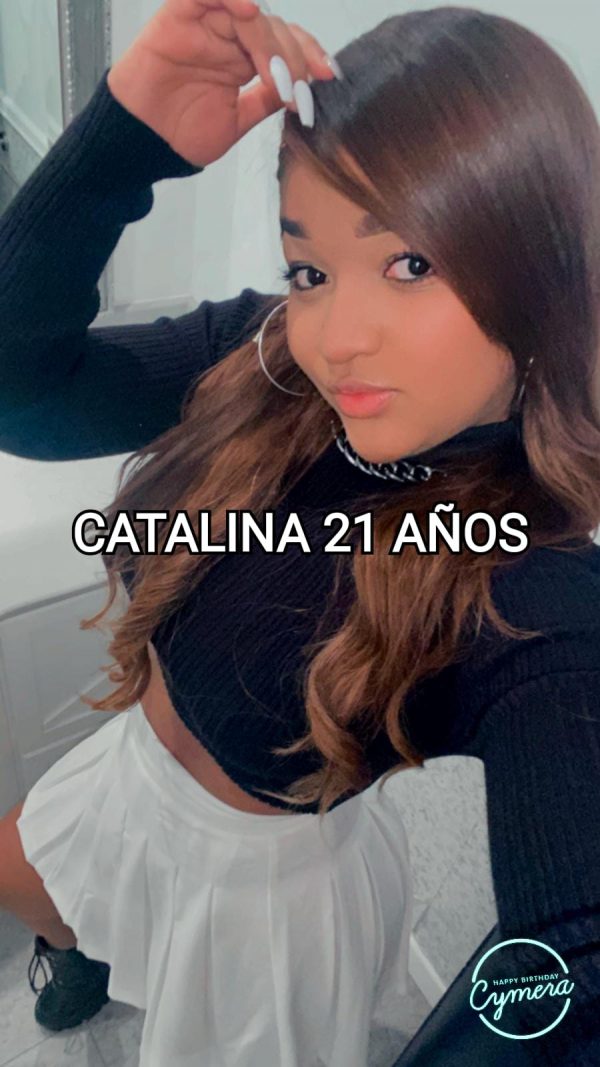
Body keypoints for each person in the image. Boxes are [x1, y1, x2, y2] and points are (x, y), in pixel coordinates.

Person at [0, 2, 598, 1064]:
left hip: (258, 897)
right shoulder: (266, 360)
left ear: (539, 269)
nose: (337, 336)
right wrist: (117, 146)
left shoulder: (528, 585)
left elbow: (569, 965)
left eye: (409, 264)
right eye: (310, 270)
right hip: (127, 775)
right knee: (23, 866)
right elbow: (23, 392)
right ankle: (85, 949)